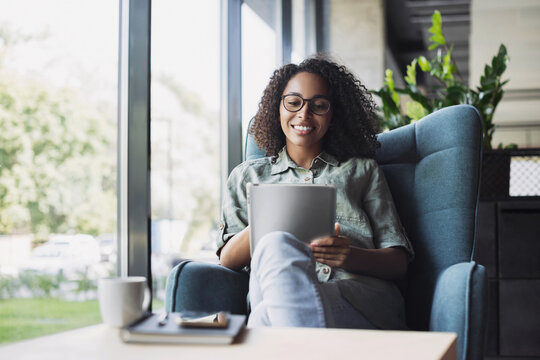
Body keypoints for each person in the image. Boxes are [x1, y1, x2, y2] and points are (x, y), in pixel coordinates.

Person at [216, 56, 414, 330]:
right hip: (275, 294)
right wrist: (270, 221)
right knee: (274, 246)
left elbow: (398, 262)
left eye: (318, 106)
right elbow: (227, 259)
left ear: (334, 115)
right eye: (294, 102)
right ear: (278, 109)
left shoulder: (362, 171)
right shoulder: (247, 177)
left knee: (263, 318)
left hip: (354, 299)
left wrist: (350, 256)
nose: (304, 115)